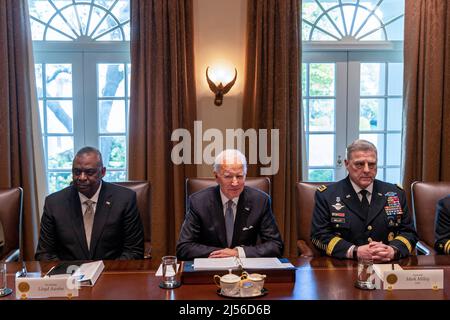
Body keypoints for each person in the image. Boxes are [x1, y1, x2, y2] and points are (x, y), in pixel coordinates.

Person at [310, 139, 417, 262]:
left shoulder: (395, 193)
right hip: (345, 265)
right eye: (359, 164)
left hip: (387, 265)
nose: (367, 170)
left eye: (371, 164)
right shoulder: (327, 195)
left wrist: (393, 250)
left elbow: (409, 233)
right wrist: (354, 251)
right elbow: (319, 235)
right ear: (346, 164)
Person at [35, 147, 144, 261]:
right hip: (69, 274)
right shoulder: (54, 203)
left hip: (110, 273)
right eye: (77, 172)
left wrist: (107, 273)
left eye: (89, 172)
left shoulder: (124, 199)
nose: (82, 177)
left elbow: (134, 251)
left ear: (103, 172)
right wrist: (66, 274)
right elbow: (44, 254)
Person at [176, 149, 284, 261]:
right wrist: (223, 254)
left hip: (245, 271)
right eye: (228, 176)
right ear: (216, 177)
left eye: (240, 176)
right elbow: (183, 247)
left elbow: (276, 246)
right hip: (211, 269)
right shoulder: (198, 202)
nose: (235, 183)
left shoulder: (260, 201)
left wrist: (238, 252)